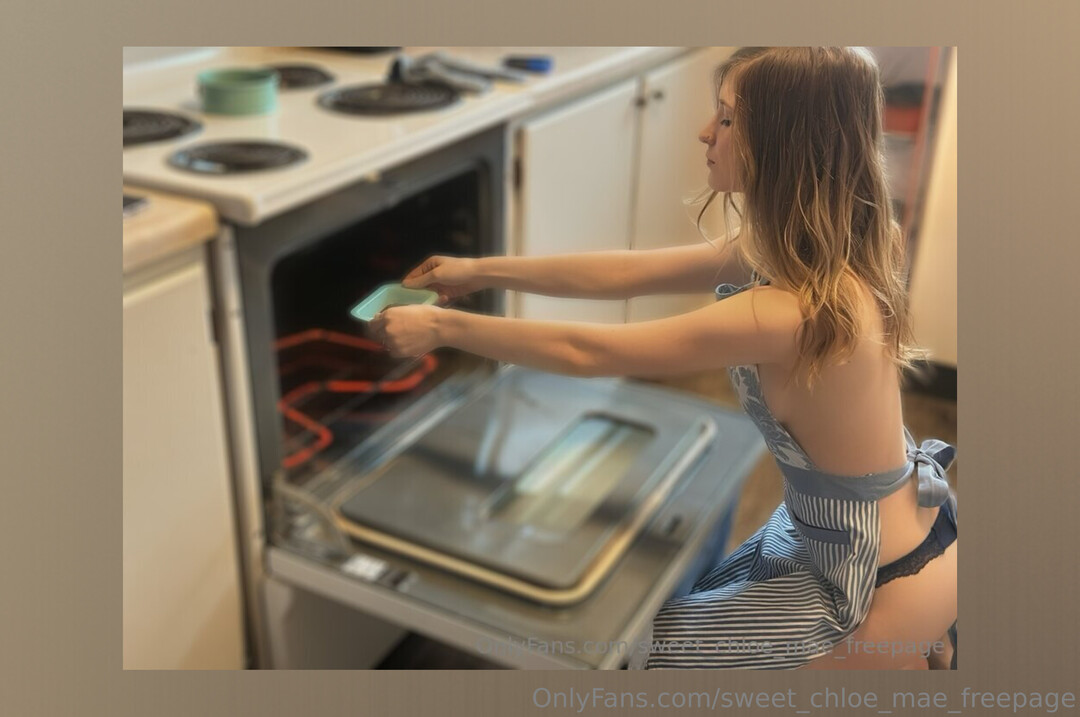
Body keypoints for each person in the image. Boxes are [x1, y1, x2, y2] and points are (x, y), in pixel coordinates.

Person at [369, 46, 957, 670]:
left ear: (786, 143)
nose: (705, 132)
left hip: (874, 586)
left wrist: (443, 326)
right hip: (869, 537)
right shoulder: (818, 249)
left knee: (662, 656)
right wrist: (477, 270)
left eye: (726, 119)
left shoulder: (791, 310)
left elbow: (588, 350)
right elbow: (626, 272)